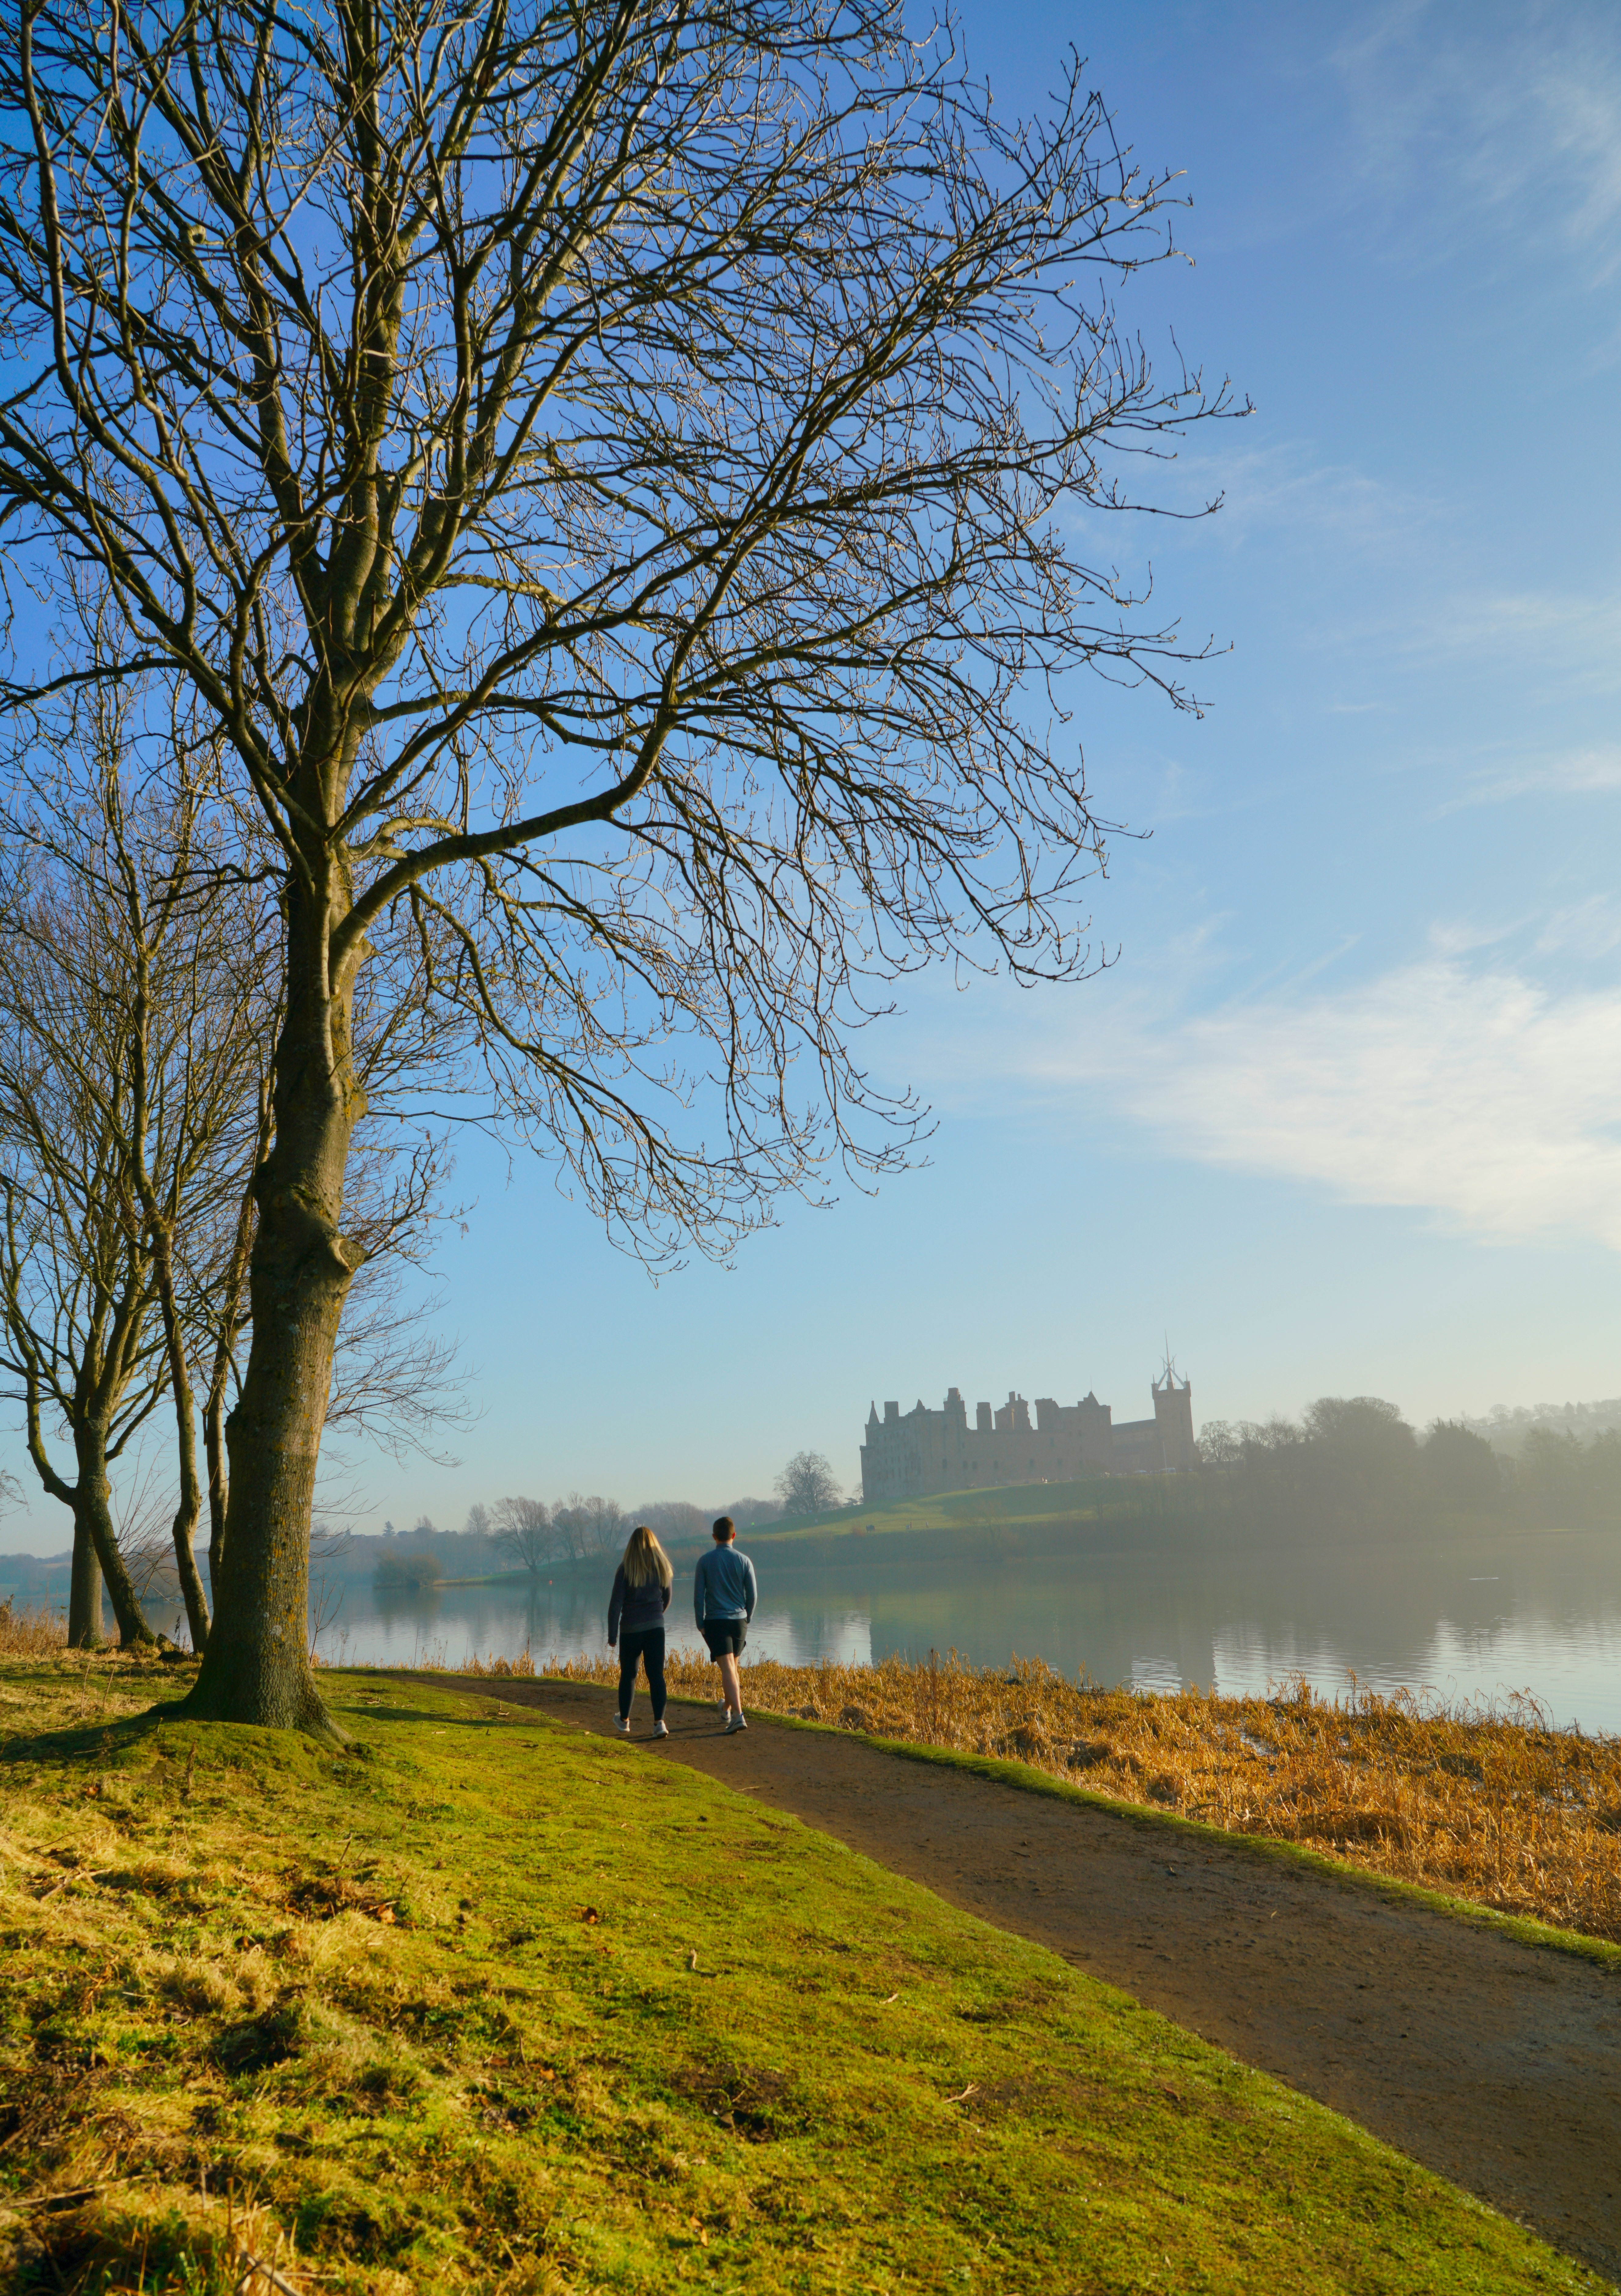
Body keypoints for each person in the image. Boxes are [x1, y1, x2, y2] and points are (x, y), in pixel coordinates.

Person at [693, 1514, 757, 1733]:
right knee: (732, 1668)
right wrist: (748, 1616)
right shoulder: (744, 1560)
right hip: (739, 1621)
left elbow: (698, 1596)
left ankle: (738, 1715)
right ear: (734, 1535)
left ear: (714, 1537)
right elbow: (753, 1595)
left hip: (716, 1621)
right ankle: (726, 1708)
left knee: (728, 1668)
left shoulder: (705, 1561)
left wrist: (700, 1622)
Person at [608, 1524, 673, 1737]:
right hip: (656, 1628)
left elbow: (616, 1604)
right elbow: (667, 1597)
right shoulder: (661, 1566)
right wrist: (657, 1616)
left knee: (629, 1675)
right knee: (657, 1676)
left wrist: (612, 1635)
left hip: (631, 1629)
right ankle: (659, 1723)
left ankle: (625, 1720)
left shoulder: (625, 1569)